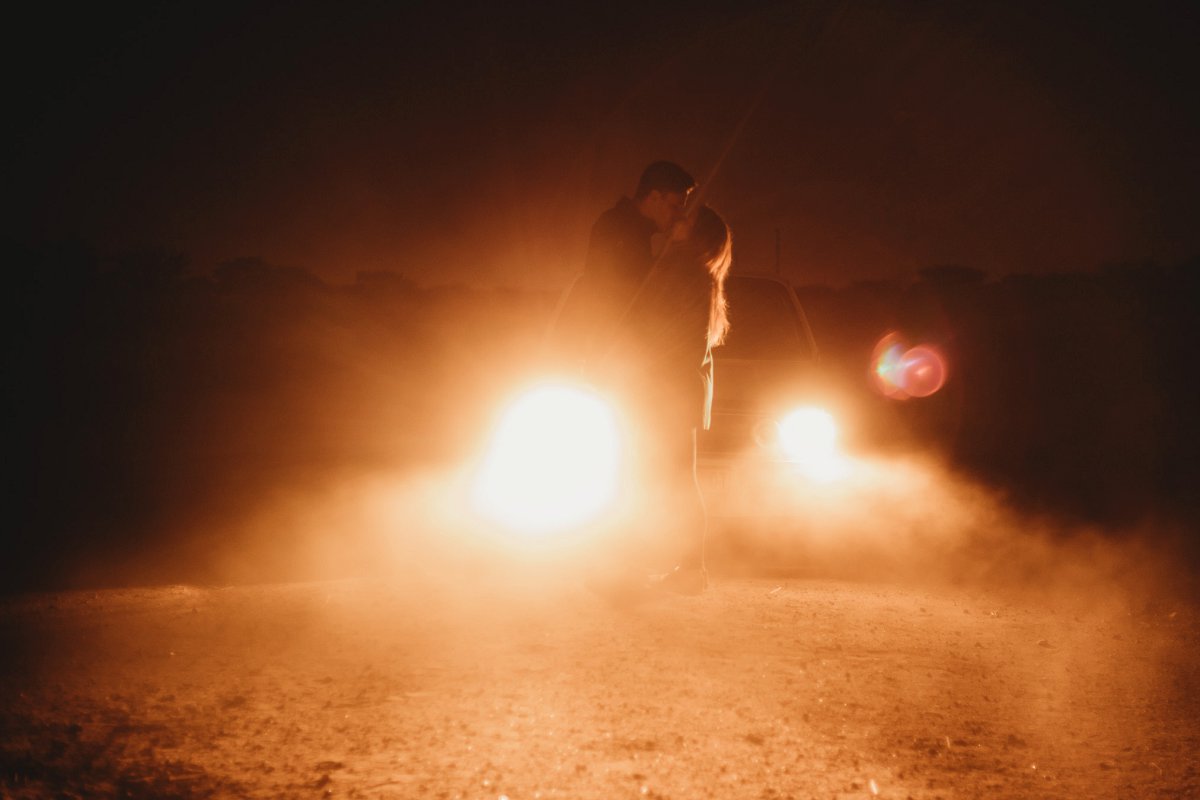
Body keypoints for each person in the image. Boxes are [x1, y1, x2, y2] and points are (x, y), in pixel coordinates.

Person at [608, 205, 732, 594]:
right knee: (675, 481)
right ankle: (689, 568)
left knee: (653, 479)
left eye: (689, 220)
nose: (679, 219)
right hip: (676, 391)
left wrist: (644, 374)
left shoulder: (684, 271)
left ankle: (645, 566)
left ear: (699, 235)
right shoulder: (700, 274)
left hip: (666, 392)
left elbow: (674, 337)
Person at [554, 161, 696, 368]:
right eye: (674, 206)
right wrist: (676, 248)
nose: (679, 216)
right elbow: (638, 294)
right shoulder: (621, 230)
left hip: (609, 353)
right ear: (655, 197)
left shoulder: (627, 227)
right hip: (613, 356)